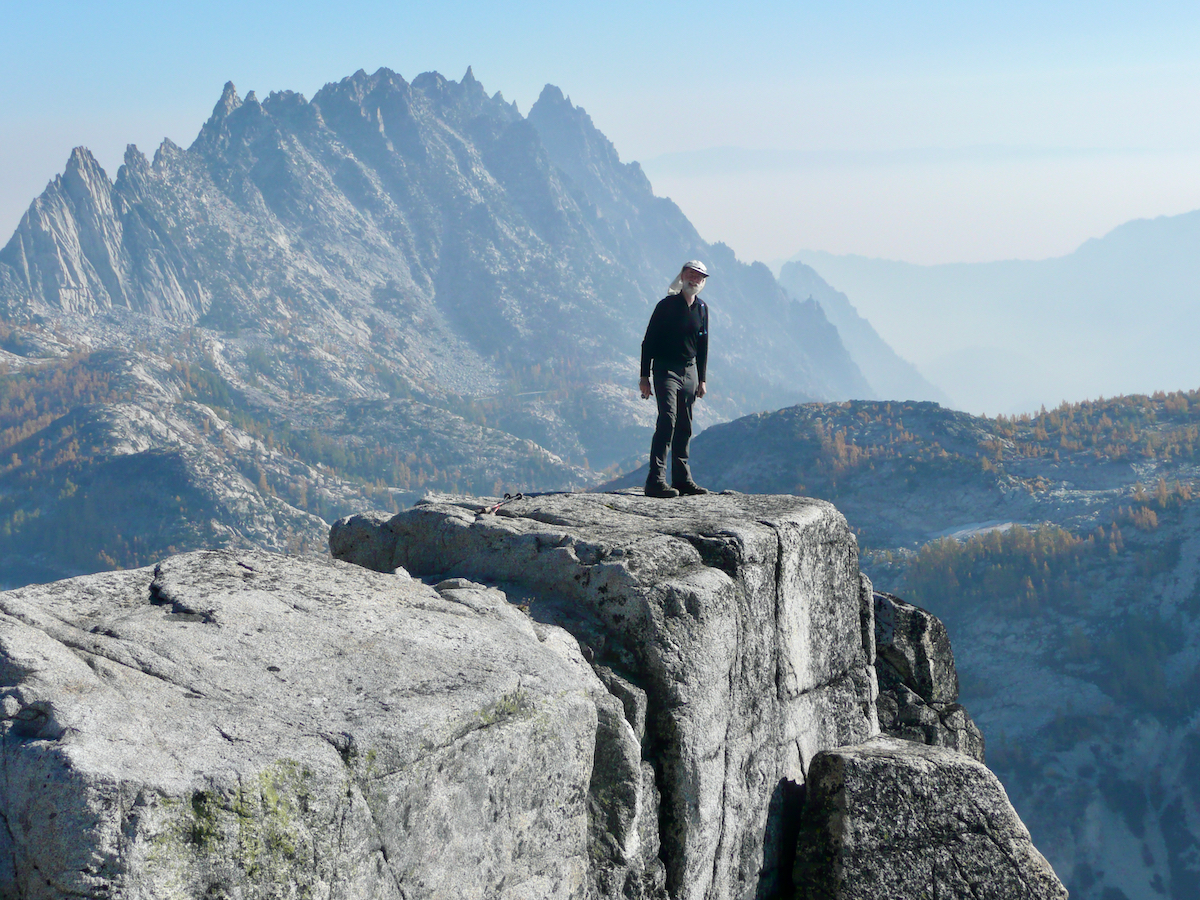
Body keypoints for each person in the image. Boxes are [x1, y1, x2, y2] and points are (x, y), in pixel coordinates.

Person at [639, 260, 711, 498]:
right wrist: (644, 376)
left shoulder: (702, 309)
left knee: (685, 425)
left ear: (703, 282)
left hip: (689, 372)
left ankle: (682, 480)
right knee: (668, 420)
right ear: (681, 276)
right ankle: (655, 481)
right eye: (691, 274)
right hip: (665, 370)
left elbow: (702, 347)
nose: (695, 279)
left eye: (699, 277)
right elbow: (648, 342)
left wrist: (702, 379)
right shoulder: (666, 306)